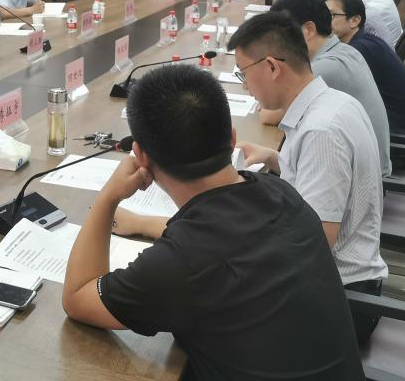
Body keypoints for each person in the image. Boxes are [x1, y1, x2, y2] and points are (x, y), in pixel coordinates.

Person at [62, 64, 364, 379]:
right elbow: (221, 245)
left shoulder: (181, 263)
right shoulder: (279, 192)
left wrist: (108, 197)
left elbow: (78, 296)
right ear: (232, 138)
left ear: (141, 156)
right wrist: (141, 224)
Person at [229, 13, 387, 343]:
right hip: (334, 281)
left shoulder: (321, 131)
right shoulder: (332, 102)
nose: (245, 85)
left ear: (271, 67)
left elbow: (312, 244)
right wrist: (272, 157)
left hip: (340, 301)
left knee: (204, 313)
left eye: (243, 73)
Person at [270, 0, 391, 176]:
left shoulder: (328, 66)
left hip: (360, 178)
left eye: (279, 35)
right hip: (353, 164)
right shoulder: (343, 50)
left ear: (308, 30)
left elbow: (271, 114)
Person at [326, 0, 405, 140]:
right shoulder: (364, 41)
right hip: (388, 127)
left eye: (331, 15)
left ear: (354, 21)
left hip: (393, 136)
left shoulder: (359, 51)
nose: (322, 21)